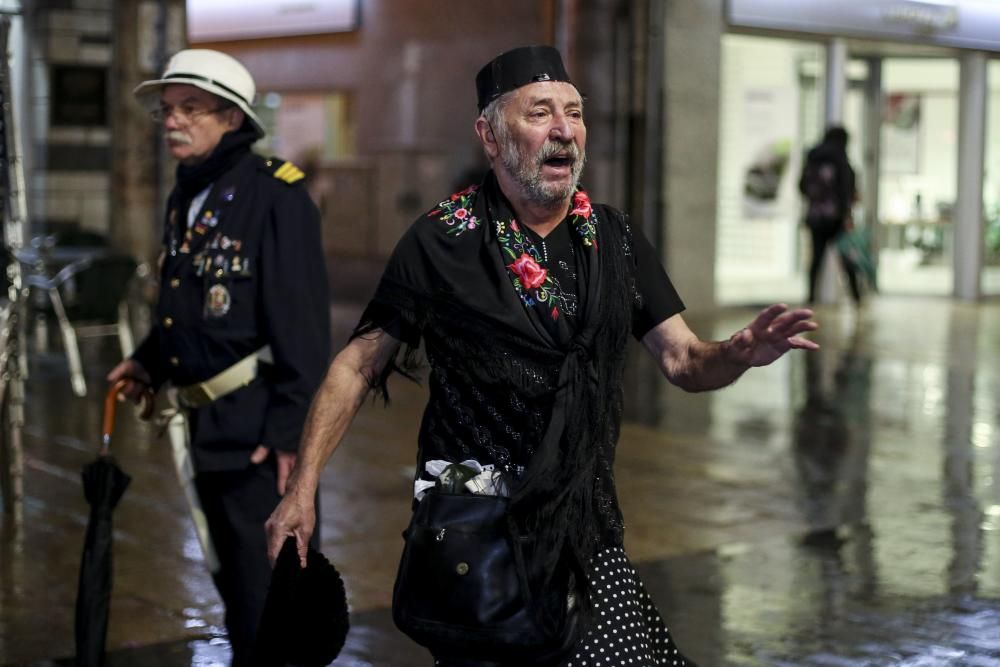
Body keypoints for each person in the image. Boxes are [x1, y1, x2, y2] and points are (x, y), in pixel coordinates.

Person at [265, 45, 818, 666]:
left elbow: (684, 361)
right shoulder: (443, 240)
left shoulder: (615, 239)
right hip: (478, 535)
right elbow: (359, 364)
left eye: (574, 113)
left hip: (585, 531)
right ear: (491, 136)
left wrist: (738, 352)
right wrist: (303, 485)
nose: (564, 130)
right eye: (540, 113)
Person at [106, 49, 331, 666]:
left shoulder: (276, 196)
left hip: (258, 432)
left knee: (271, 591)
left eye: (190, 109)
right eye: (167, 110)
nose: (172, 121)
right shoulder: (188, 194)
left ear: (232, 118)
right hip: (207, 423)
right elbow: (188, 303)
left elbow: (304, 329)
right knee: (233, 582)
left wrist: (291, 435)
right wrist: (150, 361)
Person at [798, 125, 862, 305]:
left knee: (816, 259)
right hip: (836, 218)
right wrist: (846, 215)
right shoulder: (841, 159)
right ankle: (856, 297)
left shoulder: (813, 157)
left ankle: (811, 296)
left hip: (816, 216)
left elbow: (802, 186)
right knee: (846, 256)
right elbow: (846, 191)